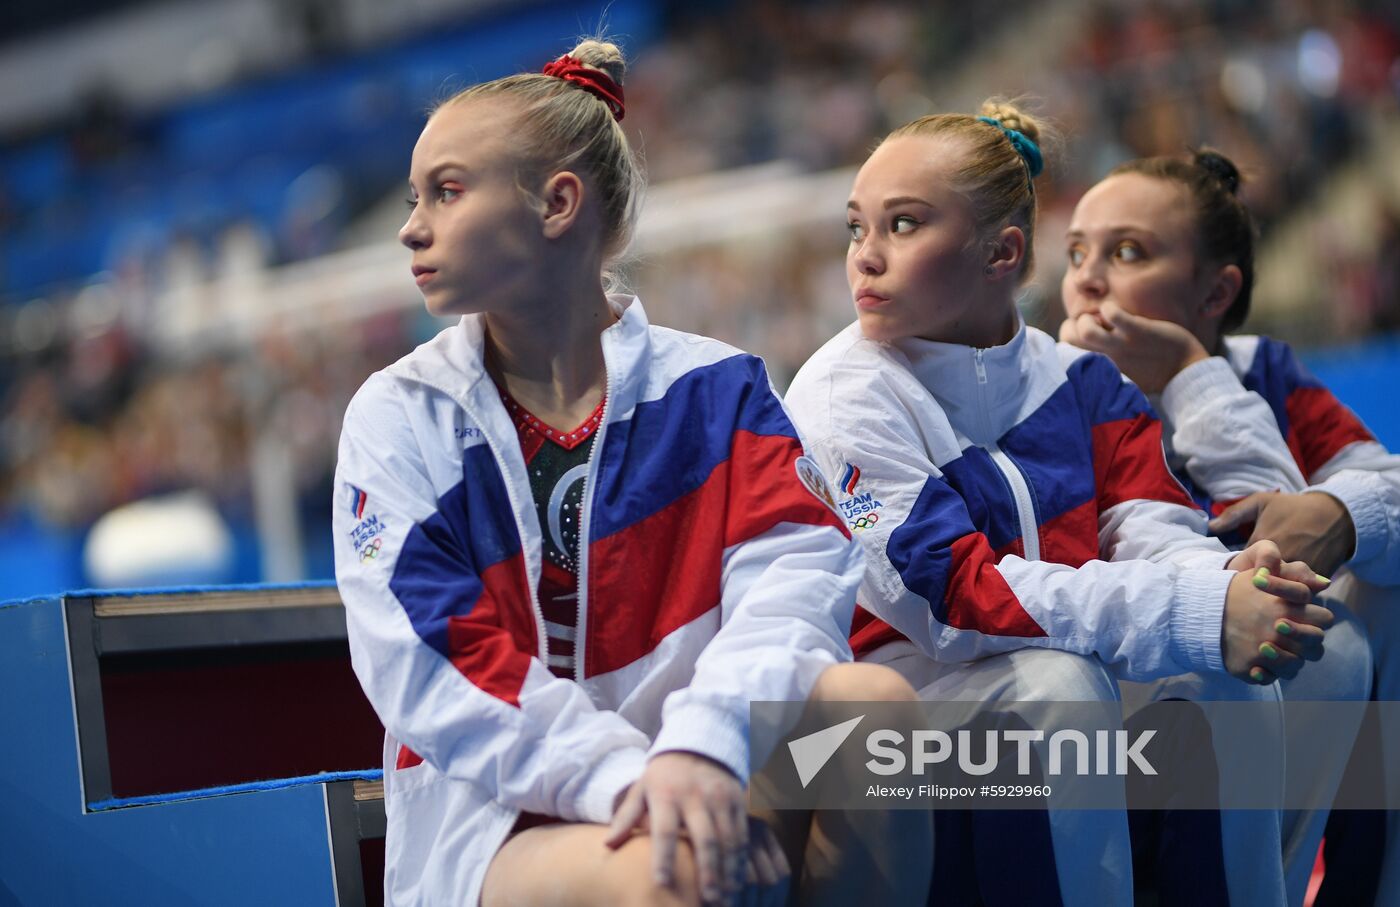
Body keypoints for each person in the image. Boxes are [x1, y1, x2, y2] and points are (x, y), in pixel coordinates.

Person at [331, 39, 932, 907]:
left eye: (446, 191)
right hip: (499, 811)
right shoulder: (398, 416)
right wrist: (632, 778)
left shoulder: (718, 389)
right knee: (677, 870)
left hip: (703, 752)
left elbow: (796, 590)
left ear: (557, 204)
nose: (410, 225)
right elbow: (430, 663)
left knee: (876, 712)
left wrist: (701, 743)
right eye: (415, 195)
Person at [783, 100, 1333, 905]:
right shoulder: (842, 395)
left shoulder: (1081, 380)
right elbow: (956, 598)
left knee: (1224, 681)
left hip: (1038, 682)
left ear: (1001, 253)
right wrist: (1195, 606)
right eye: (856, 228)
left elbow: (1154, 526)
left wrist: (1224, 585)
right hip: (858, 731)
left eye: (902, 226)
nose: (864, 258)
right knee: (1059, 687)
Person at [1059, 148, 1399, 906]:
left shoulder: (1259, 371)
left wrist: (1344, 513)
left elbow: (1283, 523)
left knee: (1377, 600)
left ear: (1217, 291)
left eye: (1126, 252)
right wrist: (1182, 362)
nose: (1086, 277)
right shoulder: (1047, 387)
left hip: (1234, 679)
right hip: (1115, 678)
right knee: (1320, 646)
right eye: (1076, 251)